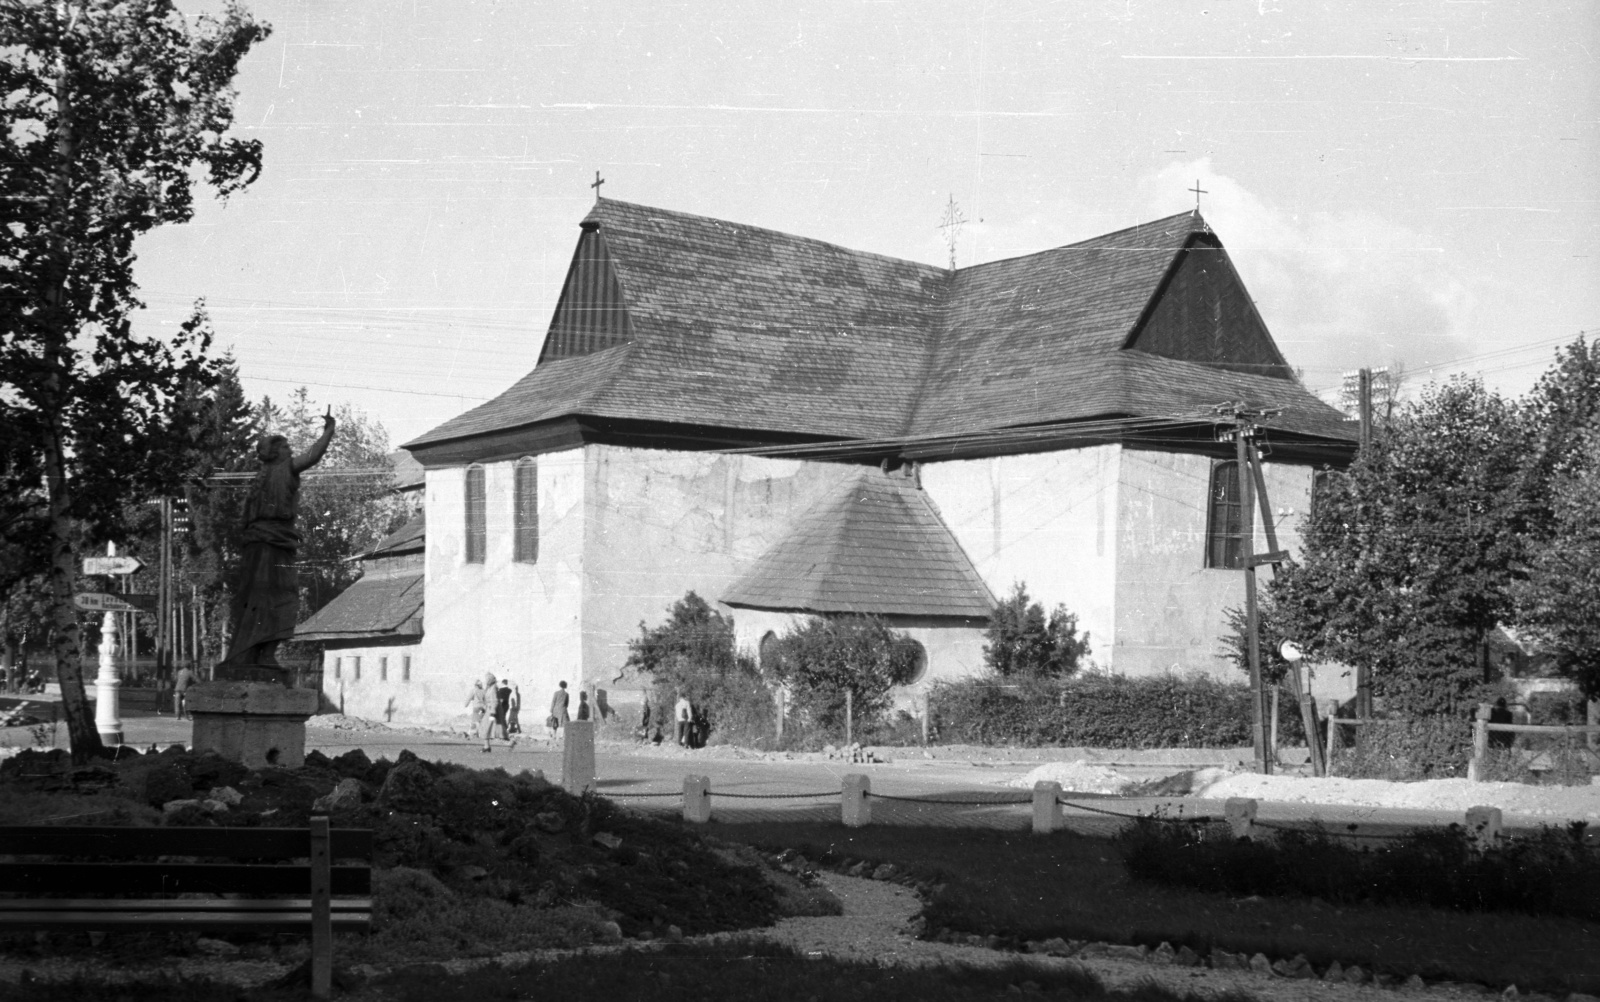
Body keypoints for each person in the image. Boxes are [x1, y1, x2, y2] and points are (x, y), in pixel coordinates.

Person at [217, 411, 335, 679]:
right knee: (281, 597)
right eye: (285, 446)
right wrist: (329, 430)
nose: (290, 449)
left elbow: (244, 522)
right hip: (273, 546)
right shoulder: (285, 470)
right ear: (276, 452)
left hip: (259, 546)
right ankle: (262, 655)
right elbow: (314, 455)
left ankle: (254, 654)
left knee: (259, 599)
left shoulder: (258, 482)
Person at [465, 679, 490, 752]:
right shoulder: (484, 691)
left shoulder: (474, 690)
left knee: (477, 724)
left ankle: (484, 742)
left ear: (475, 685)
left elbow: (468, 699)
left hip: (476, 708)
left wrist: (466, 705)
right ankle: (471, 735)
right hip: (483, 709)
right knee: (479, 723)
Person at [493, 678, 513, 743]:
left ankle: (503, 729)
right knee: (503, 717)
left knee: (500, 717)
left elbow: (501, 699)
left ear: (502, 683)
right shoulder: (509, 690)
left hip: (501, 705)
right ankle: (505, 728)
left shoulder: (501, 690)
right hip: (507, 705)